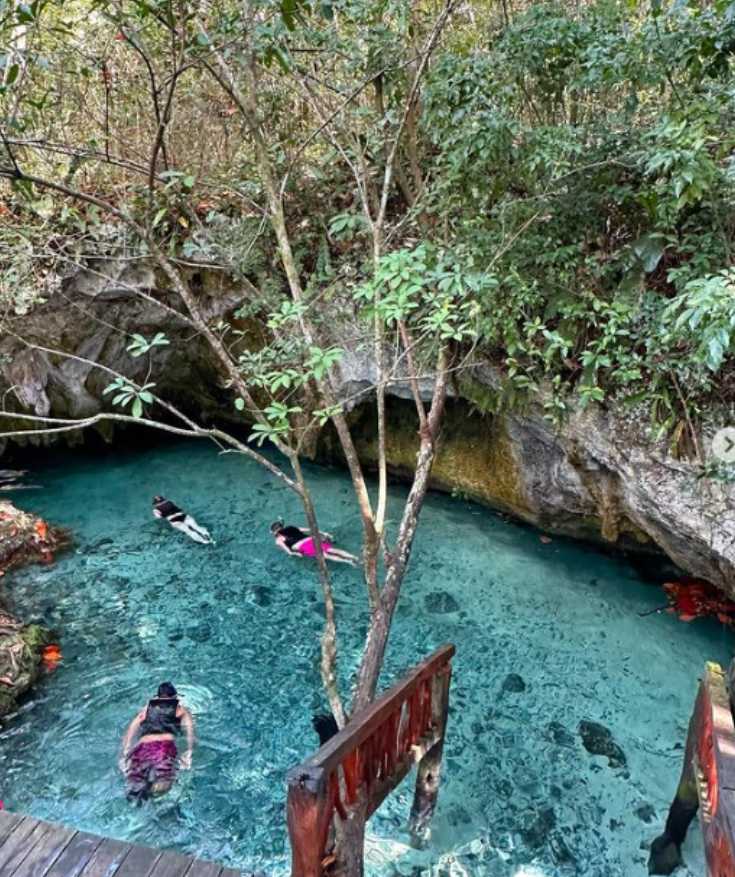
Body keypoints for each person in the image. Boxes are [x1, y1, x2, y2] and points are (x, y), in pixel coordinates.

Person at [119, 682, 195, 803]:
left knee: (136, 785)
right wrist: (188, 753)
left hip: (142, 747)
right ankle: (155, 802)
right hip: (163, 748)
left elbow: (131, 730)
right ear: (175, 697)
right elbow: (189, 733)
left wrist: (125, 752)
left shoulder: (146, 709)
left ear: (158, 696)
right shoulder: (180, 710)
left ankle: (140, 802)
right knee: (163, 784)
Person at [269, 520, 359, 566]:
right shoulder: (291, 528)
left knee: (326, 556)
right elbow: (310, 529)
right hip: (310, 539)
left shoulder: (278, 541)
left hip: (304, 546)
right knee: (332, 549)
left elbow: (289, 552)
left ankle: (348, 561)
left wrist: (296, 554)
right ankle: (354, 557)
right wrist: (324, 533)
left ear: (274, 532)